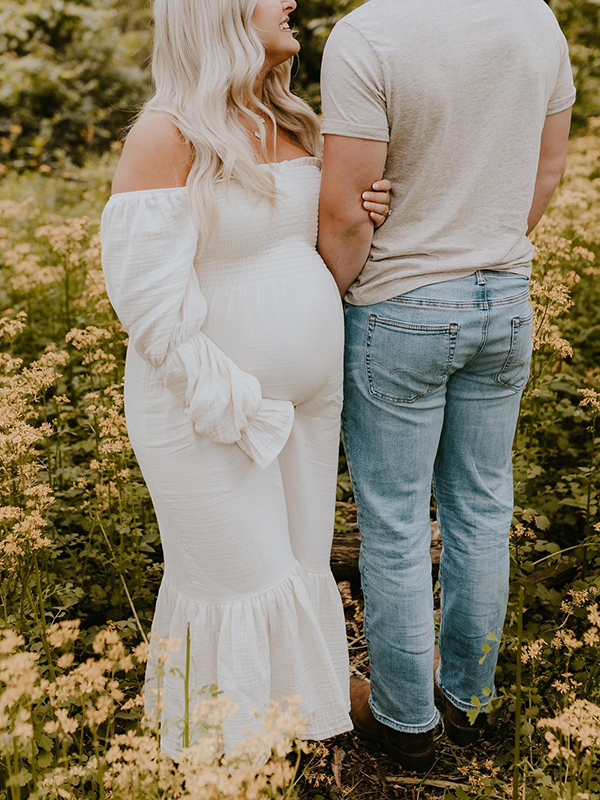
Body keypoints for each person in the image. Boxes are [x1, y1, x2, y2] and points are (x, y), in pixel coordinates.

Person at [100, 0, 391, 760]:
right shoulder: (166, 134)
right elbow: (150, 308)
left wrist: (366, 212)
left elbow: (313, 250)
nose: (290, 0)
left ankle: (295, 739)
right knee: (239, 582)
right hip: (206, 408)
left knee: (297, 569)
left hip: (303, 404)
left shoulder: (292, 121)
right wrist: (239, 406)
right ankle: (226, 764)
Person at [317, 0, 576, 773]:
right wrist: (490, 243)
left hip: (402, 306)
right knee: (482, 506)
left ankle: (404, 721)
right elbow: (550, 163)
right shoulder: (535, 18)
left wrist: (331, 301)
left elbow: (343, 211)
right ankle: (470, 702)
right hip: (505, 295)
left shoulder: (369, 34)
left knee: (395, 523)